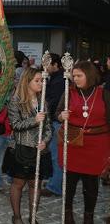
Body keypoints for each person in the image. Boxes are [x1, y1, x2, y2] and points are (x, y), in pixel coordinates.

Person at [56, 61, 110, 224]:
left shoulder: (104, 94)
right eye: (74, 76)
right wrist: (61, 116)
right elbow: (56, 113)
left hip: (97, 145)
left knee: (91, 184)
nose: (75, 78)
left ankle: (88, 217)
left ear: (90, 75)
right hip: (72, 142)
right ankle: (68, 216)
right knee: (69, 182)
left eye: (79, 75)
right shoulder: (68, 92)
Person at [4, 67, 52, 224]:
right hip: (21, 148)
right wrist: (34, 120)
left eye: (42, 80)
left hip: (40, 150)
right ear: (27, 81)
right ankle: (16, 217)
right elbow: (15, 125)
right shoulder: (16, 100)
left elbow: (48, 126)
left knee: (35, 184)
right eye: (37, 81)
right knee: (18, 183)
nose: (40, 83)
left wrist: (45, 141)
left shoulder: (42, 100)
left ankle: (33, 216)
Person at [41, 53, 65, 197]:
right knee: (52, 154)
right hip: (52, 121)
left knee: (57, 155)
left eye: (47, 64)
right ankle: (52, 180)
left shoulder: (60, 80)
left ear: (56, 65)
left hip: (56, 121)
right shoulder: (53, 79)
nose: (45, 67)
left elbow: (52, 102)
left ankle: (55, 186)